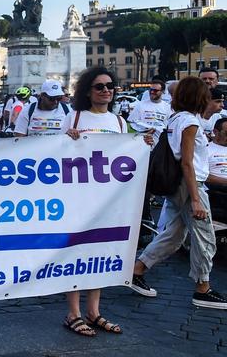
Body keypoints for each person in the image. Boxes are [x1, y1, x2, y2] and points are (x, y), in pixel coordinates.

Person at [129, 77, 227, 309]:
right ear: (199, 97)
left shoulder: (176, 118)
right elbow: (187, 163)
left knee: (173, 235)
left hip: (179, 185)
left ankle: (137, 270)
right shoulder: (190, 123)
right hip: (189, 185)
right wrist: (196, 199)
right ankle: (202, 288)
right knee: (205, 237)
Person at [58, 67, 133, 337]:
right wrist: (68, 140)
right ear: (88, 91)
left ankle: (94, 311)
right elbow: (55, 152)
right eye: (99, 86)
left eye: (110, 86)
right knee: (76, 251)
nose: (106, 91)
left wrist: (142, 143)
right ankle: (73, 312)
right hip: (79, 196)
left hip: (108, 198)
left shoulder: (120, 123)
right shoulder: (74, 117)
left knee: (99, 252)